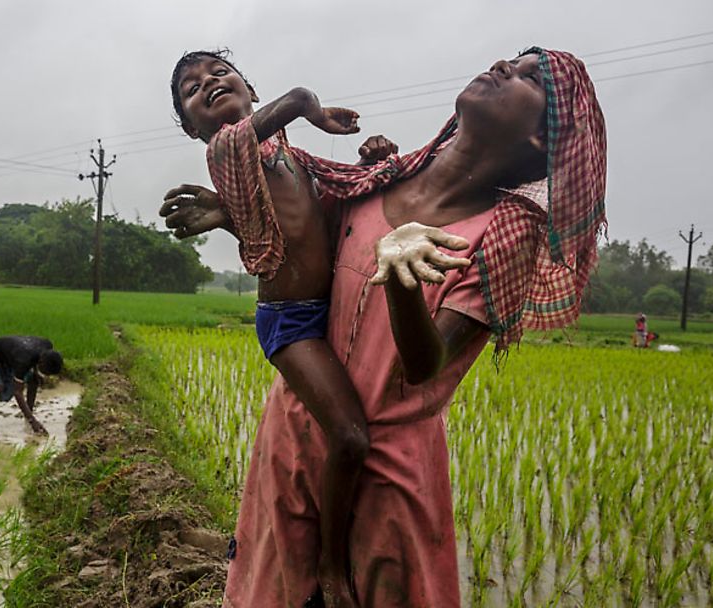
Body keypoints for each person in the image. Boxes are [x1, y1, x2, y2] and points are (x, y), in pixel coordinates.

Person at [162, 47, 606, 607]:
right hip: (297, 434)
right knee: (274, 588)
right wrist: (234, 215)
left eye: (529, 78)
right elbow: (306, 255)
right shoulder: (379, 177)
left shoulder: (506, 233)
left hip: (385, 475)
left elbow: (427, 366)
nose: (503, 67)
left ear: (545, 141)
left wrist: (399, 277)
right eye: (511, 61)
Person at [167, 49, 386, 605]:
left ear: (248, 89)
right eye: (193, 88)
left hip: (330, 309)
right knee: (351, 436)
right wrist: (310, 104)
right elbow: (293, 103)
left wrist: (375, 160)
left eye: (219, 73)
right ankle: (332, 568)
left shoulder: (292, 157)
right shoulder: (227, 150)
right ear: (194, 129)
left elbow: (346, 199)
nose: (210, 83)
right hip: (291, 324)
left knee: (344, 435)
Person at [0, 335, 63, 435]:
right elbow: (18, 392)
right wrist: (33, 422)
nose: (46, 375)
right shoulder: (23, 360)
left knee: (34, 379)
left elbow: (35, 361)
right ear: (41, 362)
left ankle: (28, 414)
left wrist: (36, 373)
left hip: (12, 355)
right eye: (46, 372)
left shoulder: (47, 346)